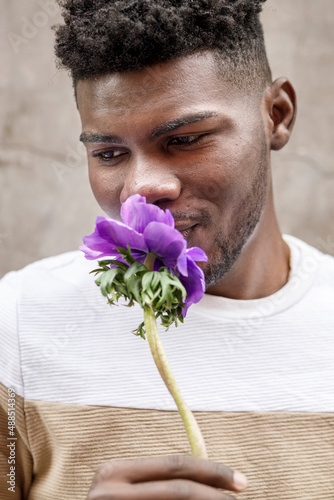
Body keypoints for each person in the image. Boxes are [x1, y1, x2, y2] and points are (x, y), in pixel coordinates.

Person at [1, 0, 333, 498]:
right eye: (109, 154)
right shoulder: (19, 324)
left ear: (276, 116)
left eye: (185, 139)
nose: (142, 187)